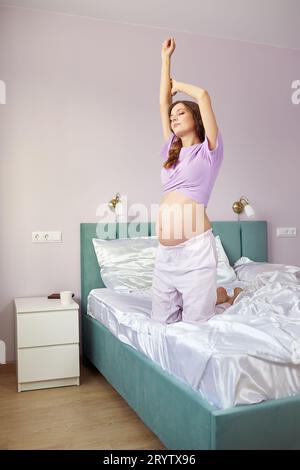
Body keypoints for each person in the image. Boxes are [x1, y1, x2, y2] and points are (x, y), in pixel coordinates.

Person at [151, 37, 243, 324]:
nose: (174, 117)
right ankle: (218, 293)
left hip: (195, 250)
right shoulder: (171, 149)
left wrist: (179, 85)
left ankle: (231, 297)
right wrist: (165, 59)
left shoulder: (209, 152)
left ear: (196, 119)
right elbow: (163, 101)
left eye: (181, 113)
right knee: (160, 322)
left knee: (195, 325)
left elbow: (203, 95)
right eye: (172, 116)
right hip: (166, 254)